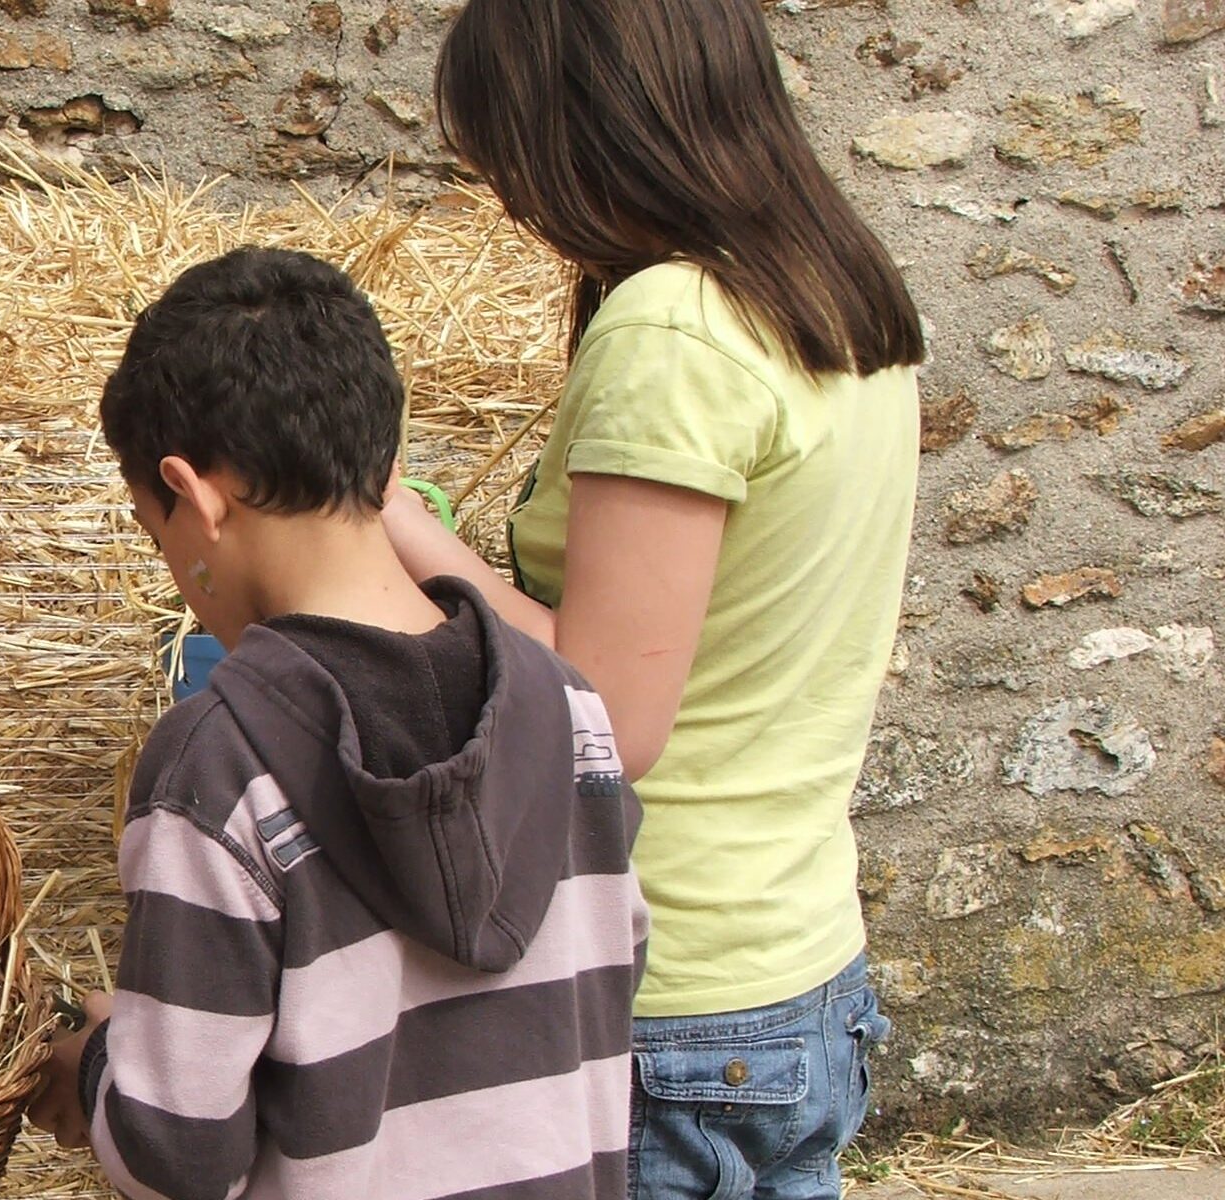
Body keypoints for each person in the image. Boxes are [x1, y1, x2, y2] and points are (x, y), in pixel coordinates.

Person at [383, 1, 921, 1195]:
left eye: (510, 156)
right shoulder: (830, 300)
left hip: (666, 995)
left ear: (583, 127)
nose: (518, 205)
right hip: (795, 967)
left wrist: (412, 542)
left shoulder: (675, 329)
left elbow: (610, 714)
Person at [28, 247, 648, 1200]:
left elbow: (181, 1151)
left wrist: (99, 1058)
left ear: (195, 497)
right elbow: (607, 984)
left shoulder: (218, 767)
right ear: (386, 463)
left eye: (161, 539)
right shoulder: (571, 710)